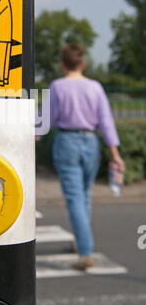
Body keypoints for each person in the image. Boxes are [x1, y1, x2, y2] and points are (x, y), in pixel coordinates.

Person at [50, 43, 125, 270]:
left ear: (63, 64)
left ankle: (84, 251)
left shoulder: (57, 86)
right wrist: (115, 154)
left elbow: (46, 121)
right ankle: (81, 243)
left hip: (66, 142)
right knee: (84, 195)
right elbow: (106, 122)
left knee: (74, 198)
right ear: (83, 63)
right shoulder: (95, 87)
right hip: (91, 142)